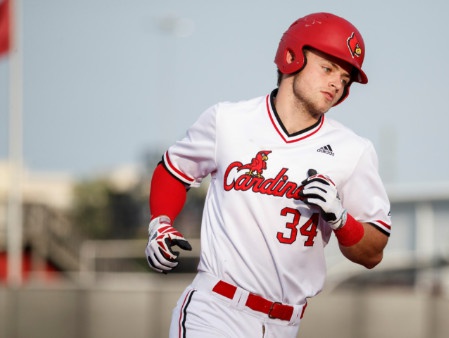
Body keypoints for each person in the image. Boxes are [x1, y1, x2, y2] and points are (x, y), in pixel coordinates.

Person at [145, 12, 392, 338]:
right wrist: (160, 222)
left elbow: (373, 252)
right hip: (216, 310)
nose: (337, 82)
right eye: (328, 67)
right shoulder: (228, 121)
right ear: (292, 56)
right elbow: (174, 171)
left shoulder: (353, 151)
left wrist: (340, 218)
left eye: (345, 78)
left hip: (286, 325)